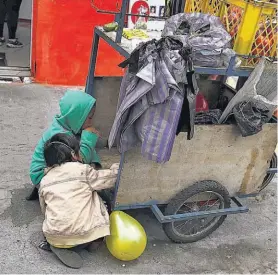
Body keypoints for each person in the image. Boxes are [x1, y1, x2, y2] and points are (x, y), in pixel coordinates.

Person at [39, 133, 119, 268]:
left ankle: (57, 245)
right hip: (85, 235)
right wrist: (118, 167)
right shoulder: (83, 171)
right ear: (74, 154)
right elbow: (110, 179)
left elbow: (44, 210)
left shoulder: (45, 180)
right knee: (97, 196)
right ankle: (92, 241)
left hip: (54, 236)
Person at [28, 90, 101, 200]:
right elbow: (80, 162)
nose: (91, 123)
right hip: (43, 176)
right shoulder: (60, 136)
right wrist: (89, 139)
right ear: (76, 116)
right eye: (89, 118)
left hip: (55, 168)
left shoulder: (67, 125)